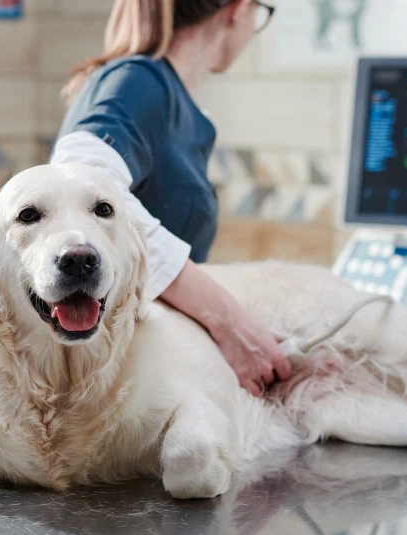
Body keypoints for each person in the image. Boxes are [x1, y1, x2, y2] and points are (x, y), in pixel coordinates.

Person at [50, 0, 290, 396]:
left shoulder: (167, 95)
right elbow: (76, 179)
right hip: (119, 383)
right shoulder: (140, 81)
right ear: (239, 9)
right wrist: (229, 320)